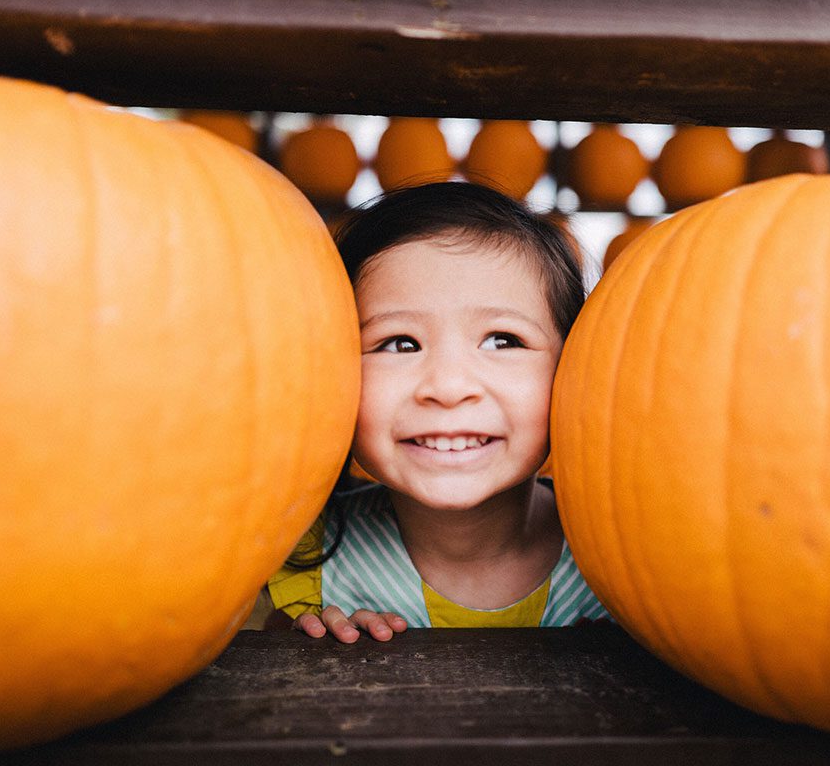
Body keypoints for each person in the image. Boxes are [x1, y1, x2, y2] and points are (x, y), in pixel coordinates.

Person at [252, 181, 609, 642]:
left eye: (503, 340)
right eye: (400, 344)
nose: (447, 387)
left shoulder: (624, 556)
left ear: (575, 365)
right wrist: (311, 645)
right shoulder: (310, 560)